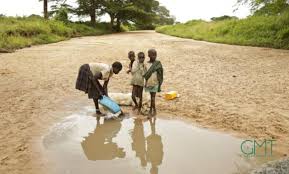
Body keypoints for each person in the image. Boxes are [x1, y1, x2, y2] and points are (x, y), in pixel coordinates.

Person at [144, 49, 163, 117]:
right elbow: (146, 74)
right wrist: (145, 83)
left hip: (155, 83)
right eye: (153, 55)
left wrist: (159, 82)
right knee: (151, 97)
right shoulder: (146, 64)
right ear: (149, 55)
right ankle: (153, 110)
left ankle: (151, 110)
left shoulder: (158, 63)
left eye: (155, 55)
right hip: (149, 83)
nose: (154, 56)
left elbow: (160, 73)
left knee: (153, 97)